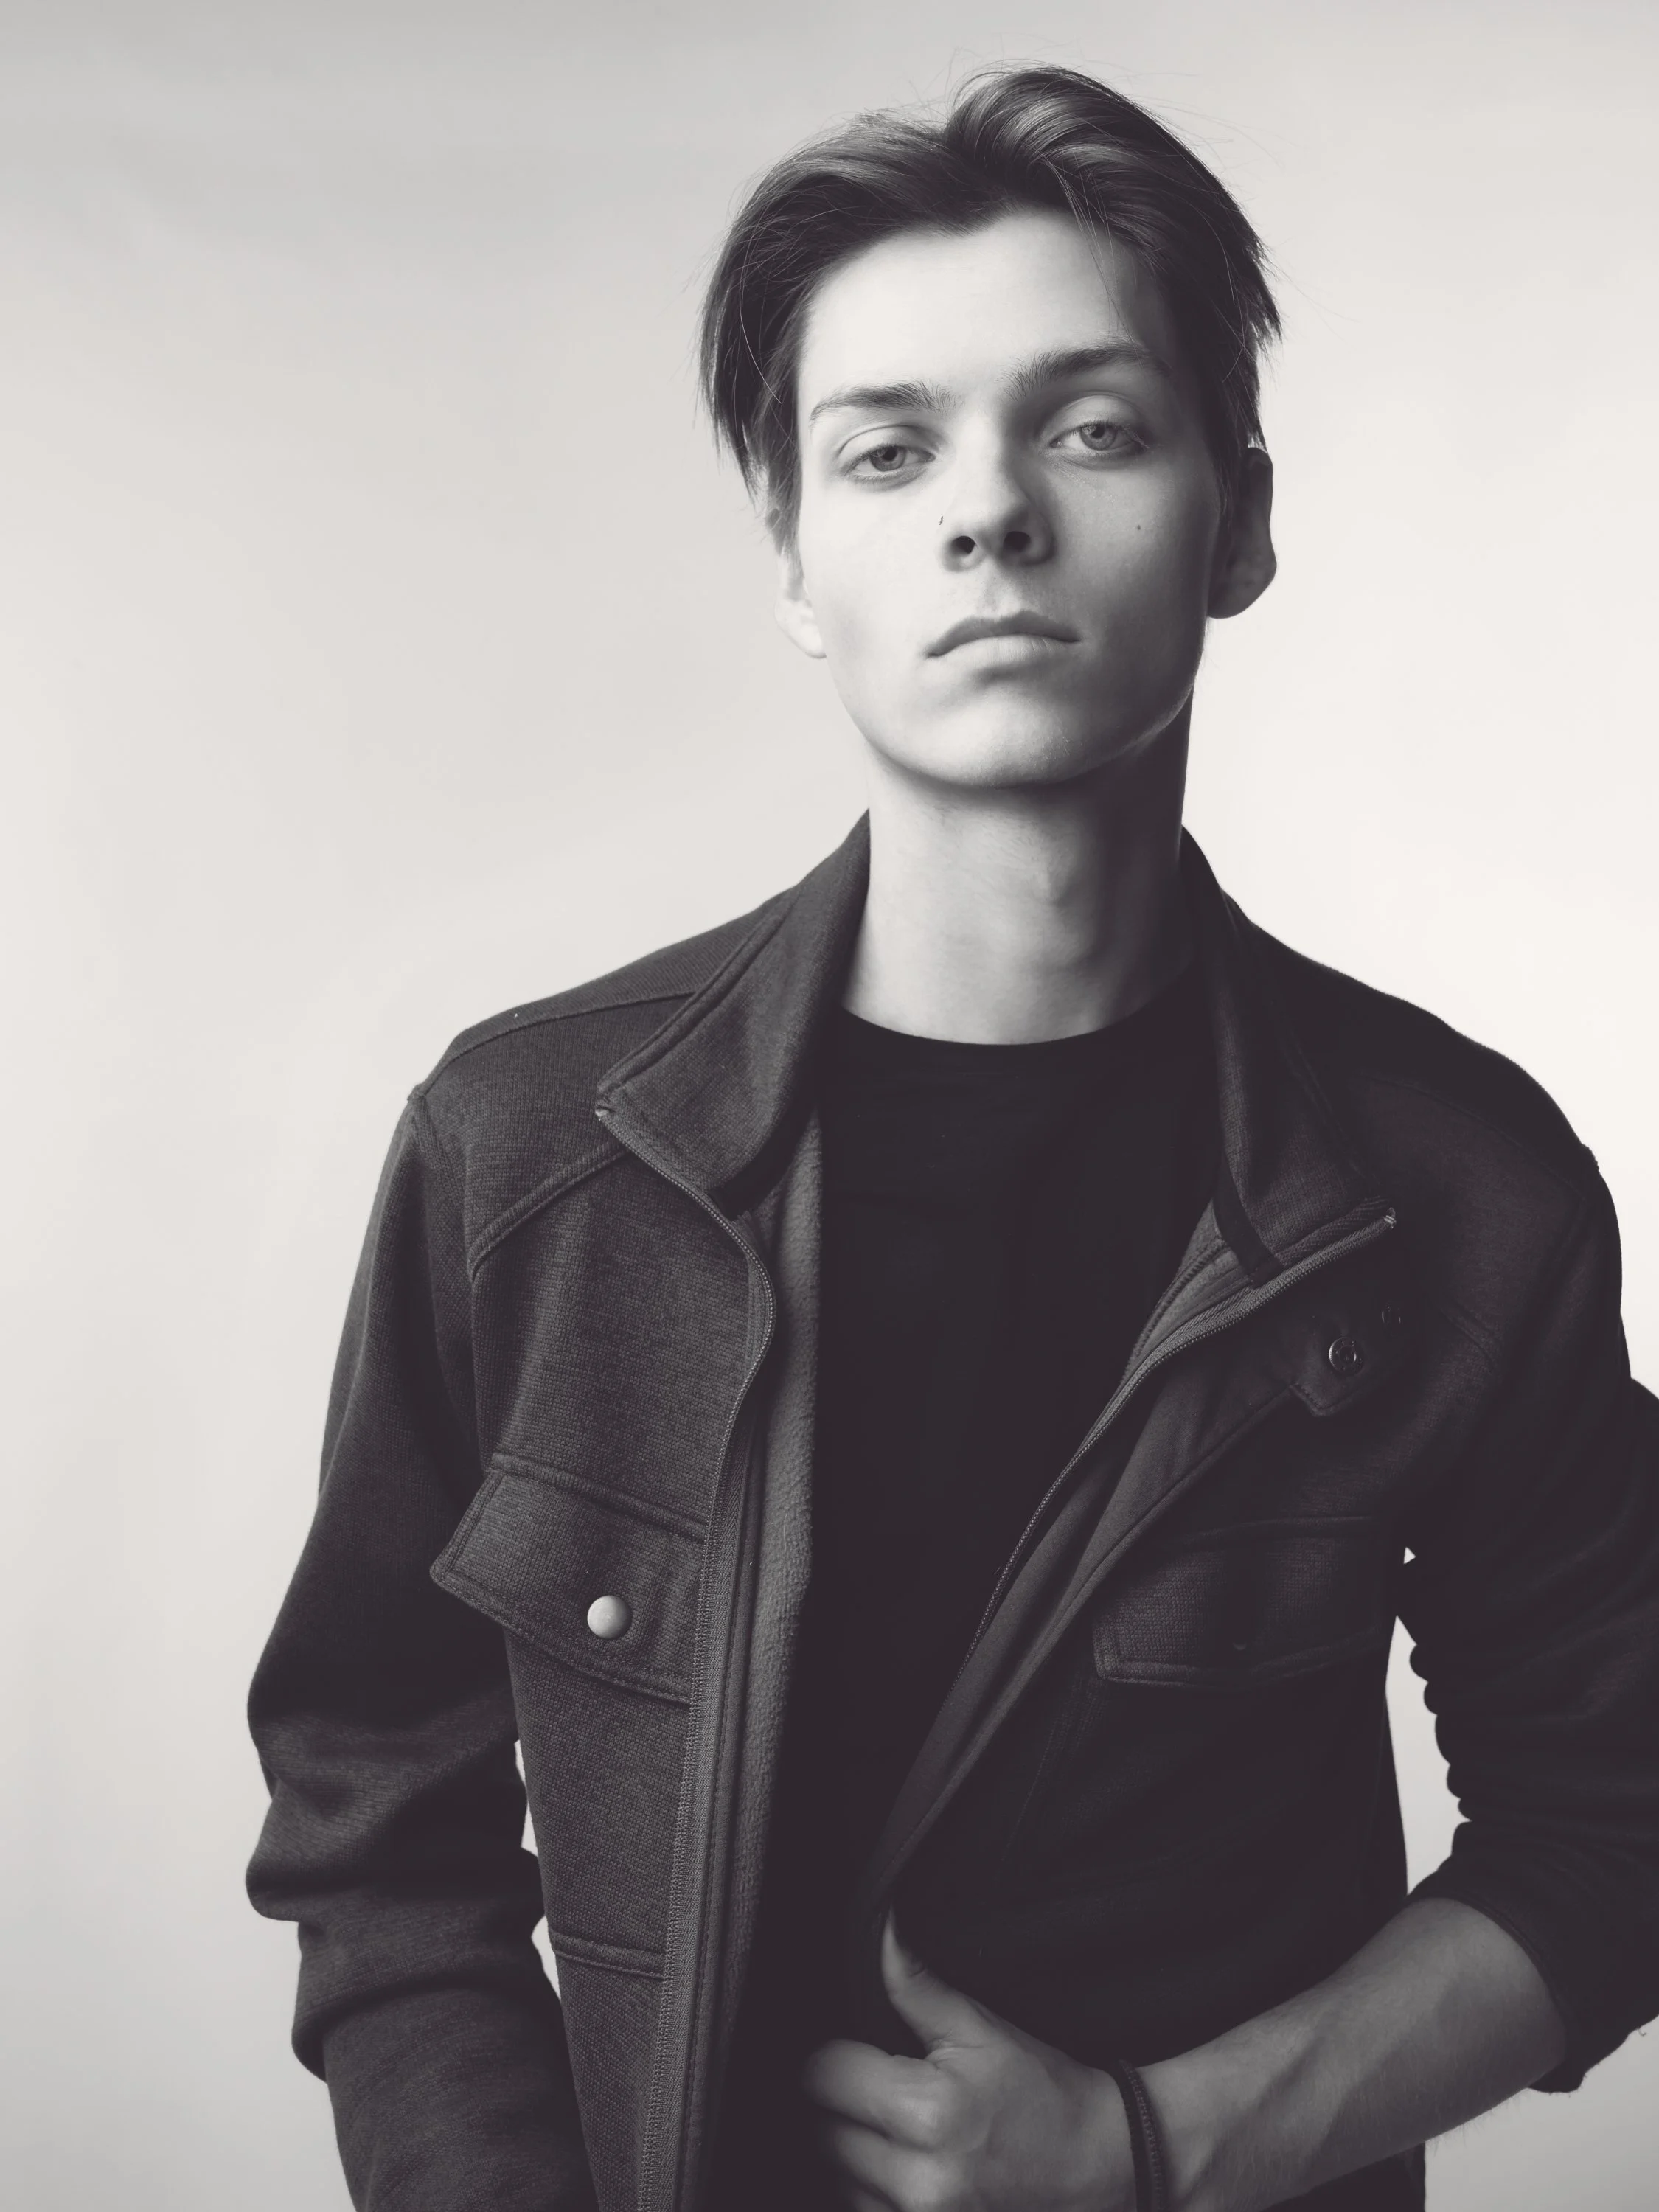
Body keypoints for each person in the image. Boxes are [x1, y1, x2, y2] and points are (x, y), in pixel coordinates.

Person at [246, 65, 1659, 2212]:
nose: (987, 514)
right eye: (888, 451)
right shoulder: (530, 1151)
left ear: (1242, 512)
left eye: (1089, 426)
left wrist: (1161, 2146)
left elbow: (1621, 1809)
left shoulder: (1454, 1191)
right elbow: (375, 1803)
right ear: (799, 559)